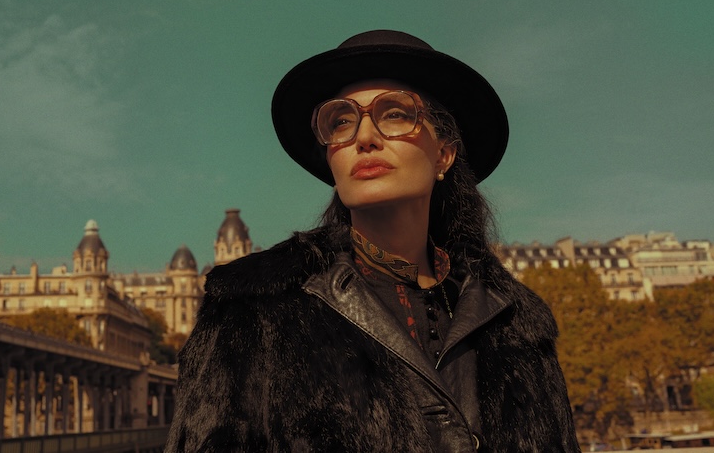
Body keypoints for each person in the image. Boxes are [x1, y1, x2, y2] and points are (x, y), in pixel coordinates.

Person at [167, 30, 579, 452]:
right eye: (341, 121)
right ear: (331, 157)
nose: (363, 137)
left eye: (396, 114)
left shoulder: (519, 327)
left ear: (445, 154)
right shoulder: (250, 309)